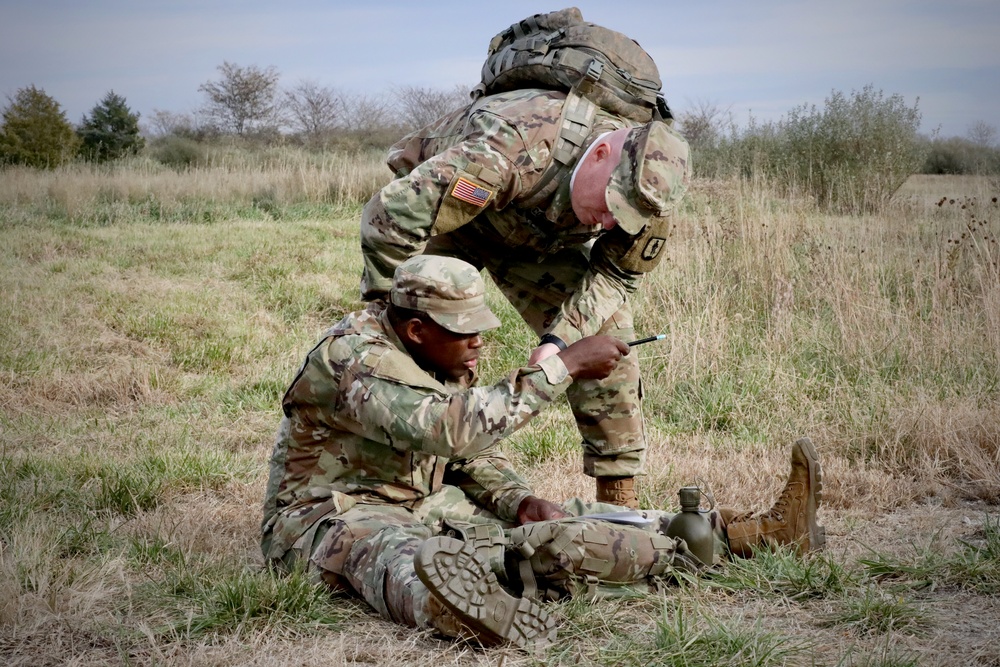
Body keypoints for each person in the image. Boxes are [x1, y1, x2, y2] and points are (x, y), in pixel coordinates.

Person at [262, 255, 826, 650]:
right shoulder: (353, 360)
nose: (478, 341)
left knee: (561, 525)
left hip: (429, 502)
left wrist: (519, 499)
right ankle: (459, 606)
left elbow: (466, 457)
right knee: (393, 557)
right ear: (413, 329)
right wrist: (564, 366)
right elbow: (452, 432)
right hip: (329, 516)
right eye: (463, 331)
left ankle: (740, 535)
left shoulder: (441, 353)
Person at [358, 81, 691, 508]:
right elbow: (387, 218)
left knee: (607, 336)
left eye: (623, 218)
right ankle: (396, 478)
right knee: (421, 338)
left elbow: (615, 275)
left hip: (533, 242)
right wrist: (394, 315)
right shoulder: (511, 147)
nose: (610, 223)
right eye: (611, 205)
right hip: (456, 223)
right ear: (602, 153)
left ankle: (618, 505)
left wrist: (559, 343)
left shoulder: (650, 195)